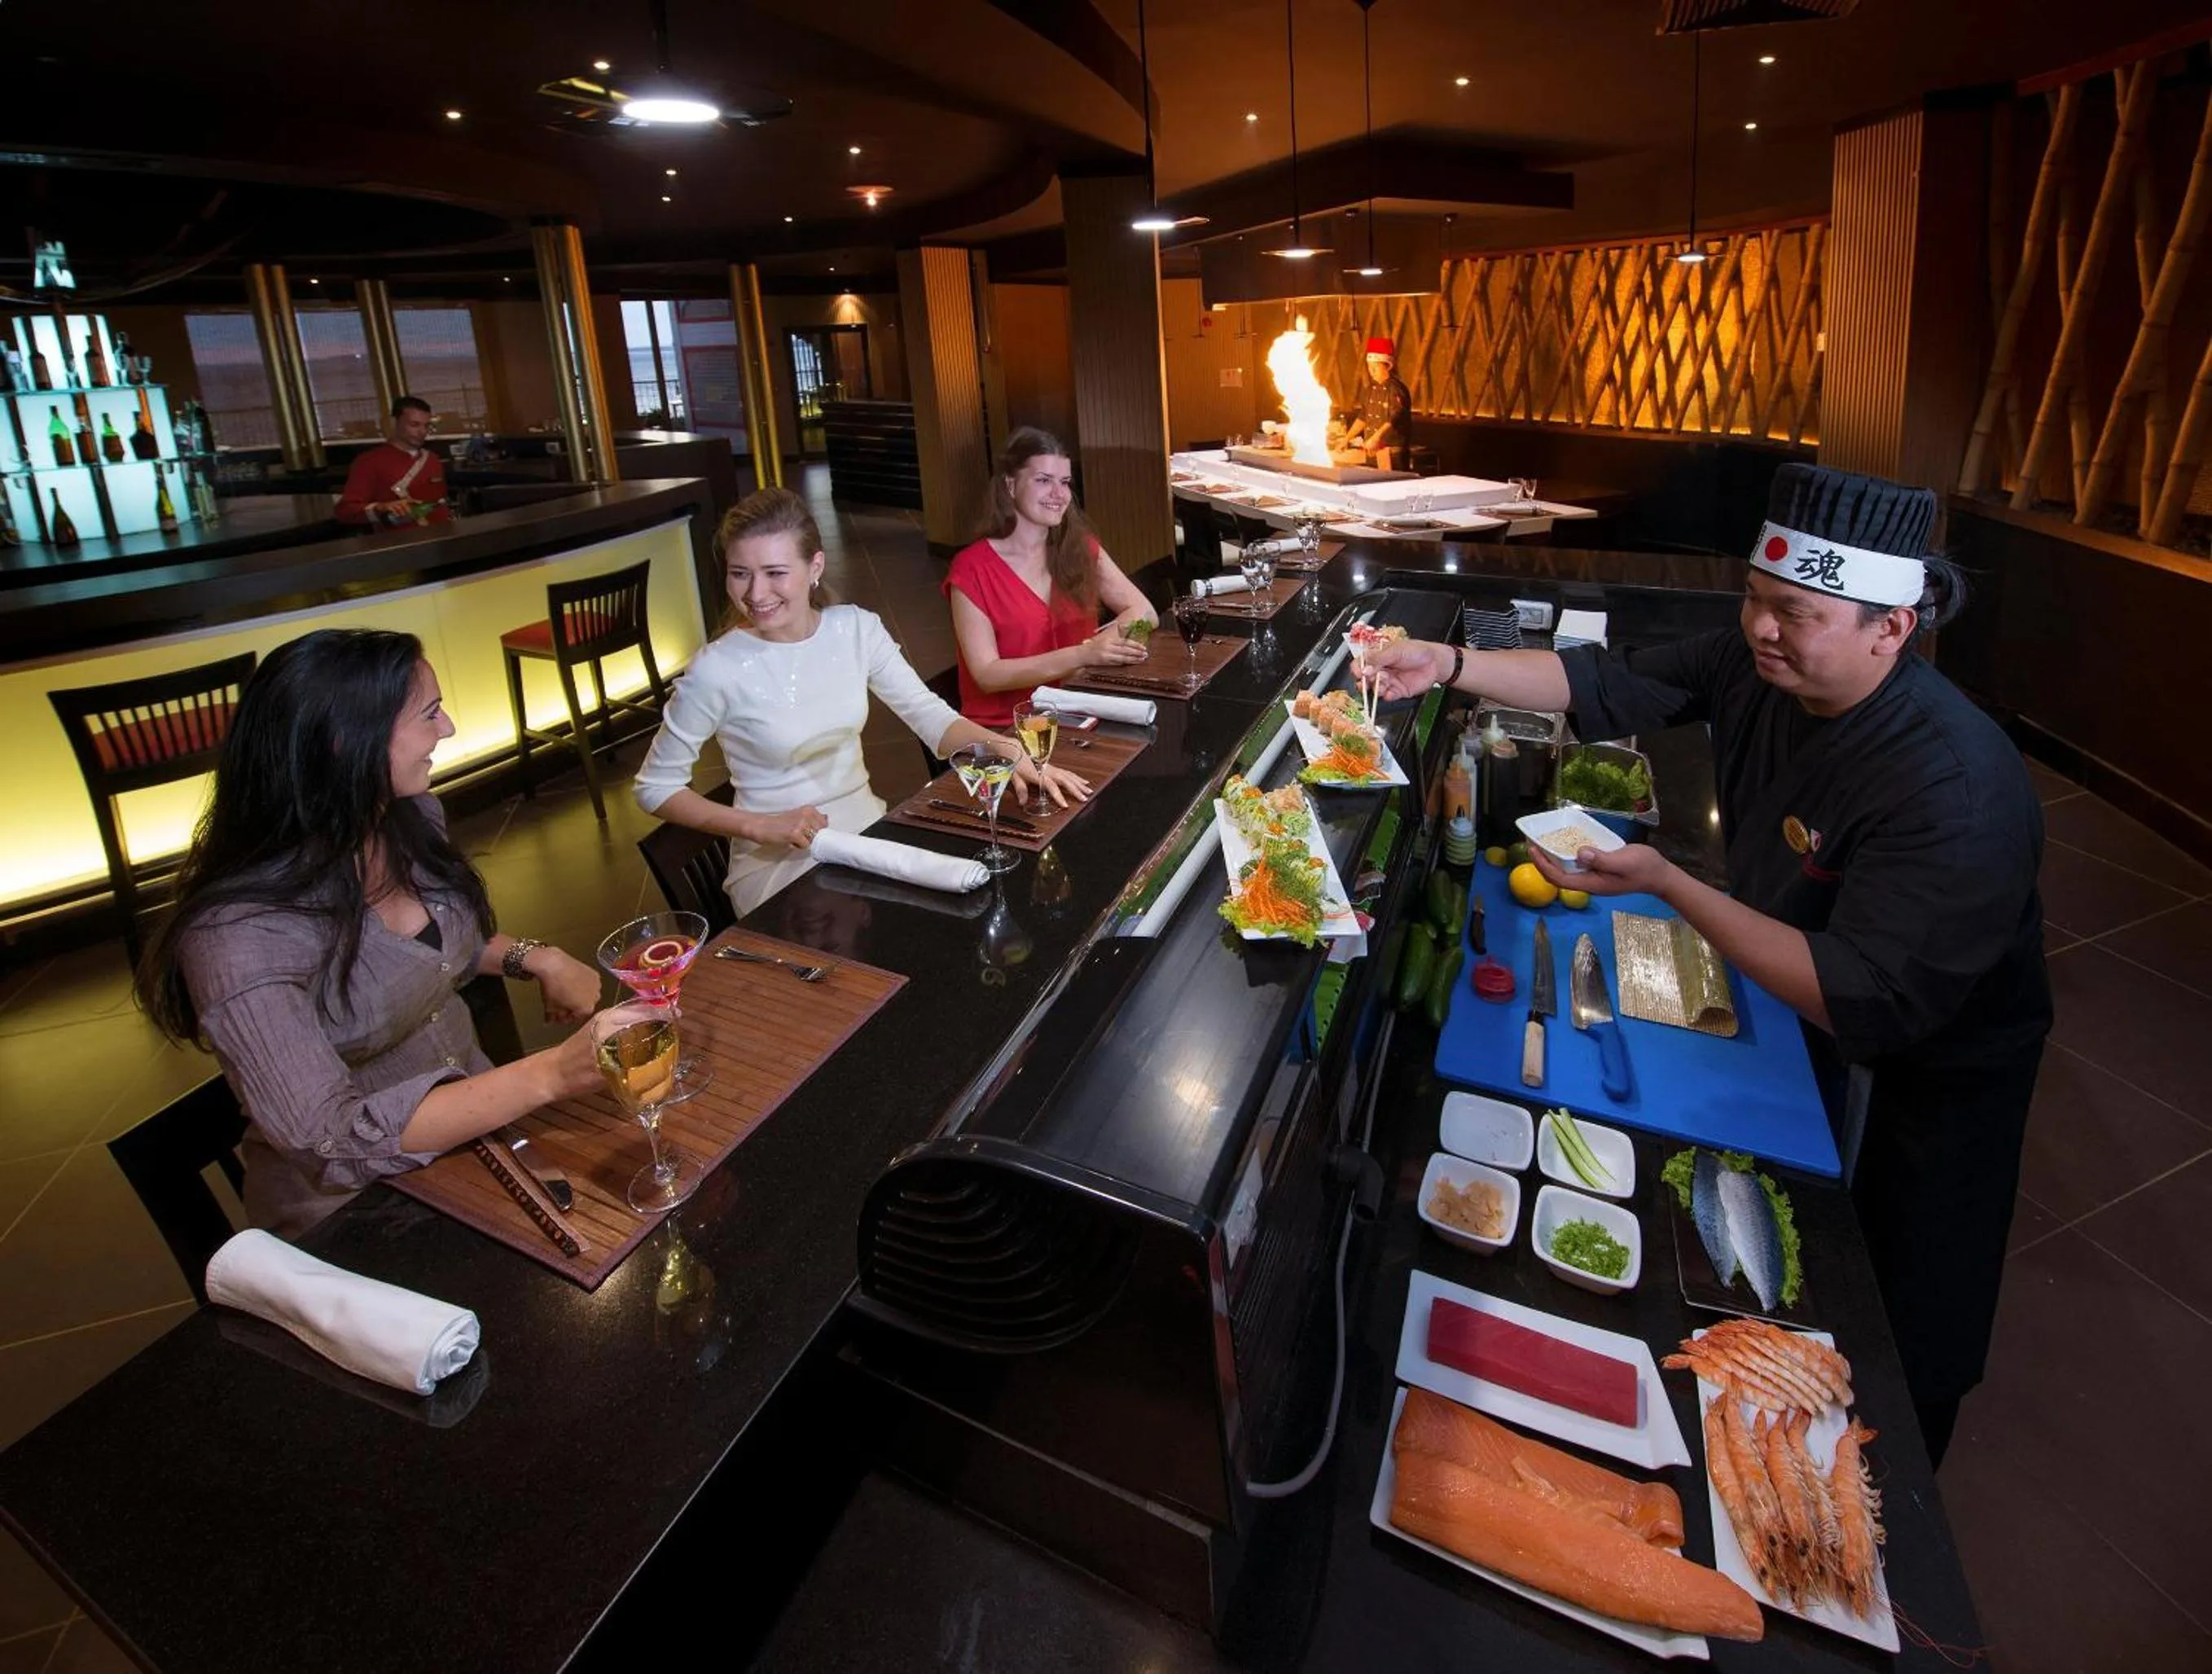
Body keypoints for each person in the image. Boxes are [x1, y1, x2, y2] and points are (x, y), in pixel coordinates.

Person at [1368, 463, 2050, 1465]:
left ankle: (1891, 1512)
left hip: (1924, 1077)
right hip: (1796, 1006)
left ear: (1891, 628)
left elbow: (1857, 993)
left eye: (1796, 614)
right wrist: (1447, 661)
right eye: (1754, 602)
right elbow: (1601, 679)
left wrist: (1665, 881)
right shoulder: (1759, 663)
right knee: (1750, 1281)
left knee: (1896, 1322)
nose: (1762, 630)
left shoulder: (1951, 786)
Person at [138, 629, 636, 1238]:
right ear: (348, 742)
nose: (449, 728)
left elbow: (429, 949)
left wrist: (537, 957)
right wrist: (551, 1074)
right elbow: (332, 1140)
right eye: (430, 713)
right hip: (358, 1213)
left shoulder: (406, 818)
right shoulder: (238, 937)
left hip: (480, 1139)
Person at [635, 486, 1091, 916]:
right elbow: (654, 788)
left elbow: (929, 715)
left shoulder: (855, 629)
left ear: (815, 567)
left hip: (870, 831)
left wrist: (1010, 752)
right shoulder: (716, 668)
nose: (755, 594)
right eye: (740, 574)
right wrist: (760, 825)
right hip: (780, 861)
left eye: (775, 573)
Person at [944, 428, 1158, 728]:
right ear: (1010, 485)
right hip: (1008, 728)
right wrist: (1084, 654)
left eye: (1065, 482)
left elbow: (1145, 611)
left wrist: (1102, 648)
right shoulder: (971, 568)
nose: (1059, 495)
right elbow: (987, 674)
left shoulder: (1080, 548)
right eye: (1043, 481)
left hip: (1081, 712)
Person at [335, 396, 451, 527]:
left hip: (442, 537)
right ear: (394, 423)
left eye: (426, 426)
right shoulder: (368, 462)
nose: (422, 432)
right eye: (414, 425)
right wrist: (381, 507)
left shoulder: (432, 459)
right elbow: (346, 511)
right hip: (399, 542)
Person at [1341, 336, 1413, 471]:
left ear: (1388, 366)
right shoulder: (1370, 390)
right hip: (1371, 452)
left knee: (1389, 487)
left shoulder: (1396, 389)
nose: (1371, 371)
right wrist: (1347, 438)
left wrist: (1375, 438)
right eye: (1369, 367)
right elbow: (1363, 417)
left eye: (1375, 367)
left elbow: (1395, 416)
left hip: (1391, 453)